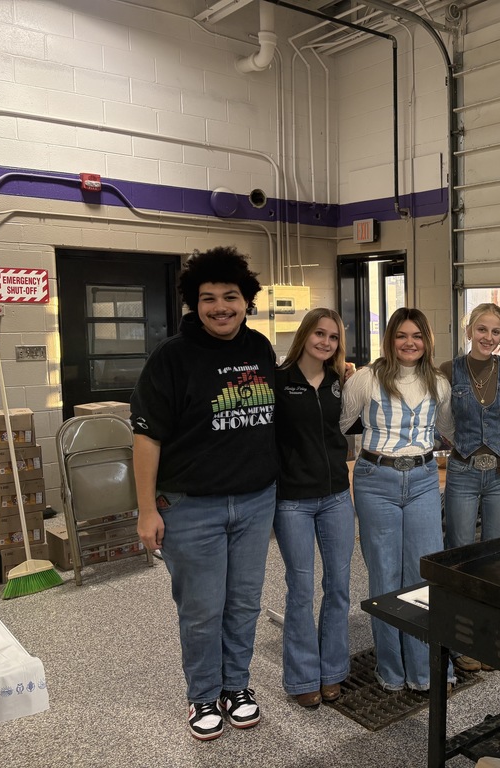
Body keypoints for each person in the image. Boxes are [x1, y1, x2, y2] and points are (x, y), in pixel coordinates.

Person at [131, 246, 277, 741]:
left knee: (244, 604)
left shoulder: (260, 349)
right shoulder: (171, 357)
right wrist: (146, 509)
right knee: (201, 608)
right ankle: (202, 696)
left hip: (255, 502)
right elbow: (147, 437)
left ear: (246, 300)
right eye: (208, 298)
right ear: (195, 303)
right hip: (192, 508)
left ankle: (236, 686)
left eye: (230, 297)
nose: (220, 307)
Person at [340, 307, 455, 692]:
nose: (410, 343)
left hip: (423, 480)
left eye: (417, 336)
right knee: (385, 577)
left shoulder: (438, 383)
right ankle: (391, 669)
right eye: (402, 336)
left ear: (427, 341)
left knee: (422, 575)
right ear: (390, 339)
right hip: (376, 480)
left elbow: (447, 427)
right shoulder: (366, 380)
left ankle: (425, 670)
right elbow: (338, 425)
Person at [272, 308, 355, 709]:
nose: (325, 342)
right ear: (305, 335)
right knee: (301, 589)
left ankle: (333, 670)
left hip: (337, 496)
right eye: (319, 334)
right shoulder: (279, 381)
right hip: (293, 502)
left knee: (339, 586)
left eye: (334, 337)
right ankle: (303, 676)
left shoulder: (342, 382)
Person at [439, 303, 500, 674]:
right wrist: (460, 447)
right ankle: (461, 640)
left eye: (495, 332)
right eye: (482, 329)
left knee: (498, 558)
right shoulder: (449, 370)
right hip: (464, 471)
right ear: (468, 331)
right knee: (462, 555)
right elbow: (442, 420)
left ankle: (493, 638)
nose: (488, 337)